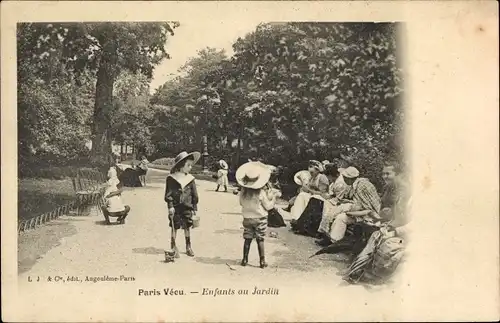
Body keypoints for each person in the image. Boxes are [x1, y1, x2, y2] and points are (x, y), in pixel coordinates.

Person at [236, 161, 279, 269]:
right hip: (260, 218)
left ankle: (244, 259)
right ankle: (262, 261)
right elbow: (268, 207)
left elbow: (241, 203)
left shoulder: (243, 192)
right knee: (260, 239)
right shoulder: (260, 193)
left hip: (247, 217)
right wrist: (273, 198)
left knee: (247, 238)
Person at [326, 166, 382, 244]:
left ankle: (334, 242)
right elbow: (358, 202)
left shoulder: (363, 185)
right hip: (360, 213)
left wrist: (352, 212)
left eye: (345, 178)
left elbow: (370, 206)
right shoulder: (354, 185)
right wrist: (348, 202)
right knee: (339, 214)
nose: (344, 180)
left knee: (341, 216)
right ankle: (332, 239)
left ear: (350, 178)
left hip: (369, 216)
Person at [164, 151, 200, 260]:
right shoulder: (171, 178)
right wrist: (170, 206)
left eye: (191, 165)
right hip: (175, 208)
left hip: (187, 207)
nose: (190, 167)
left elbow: (194, 195)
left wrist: (194, 208)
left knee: (187, 226)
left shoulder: (190, 179)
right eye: (188, 165)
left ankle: (188, 246)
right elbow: (168, 194)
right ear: (180, 166)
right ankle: (173, 246)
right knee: (174, 227)